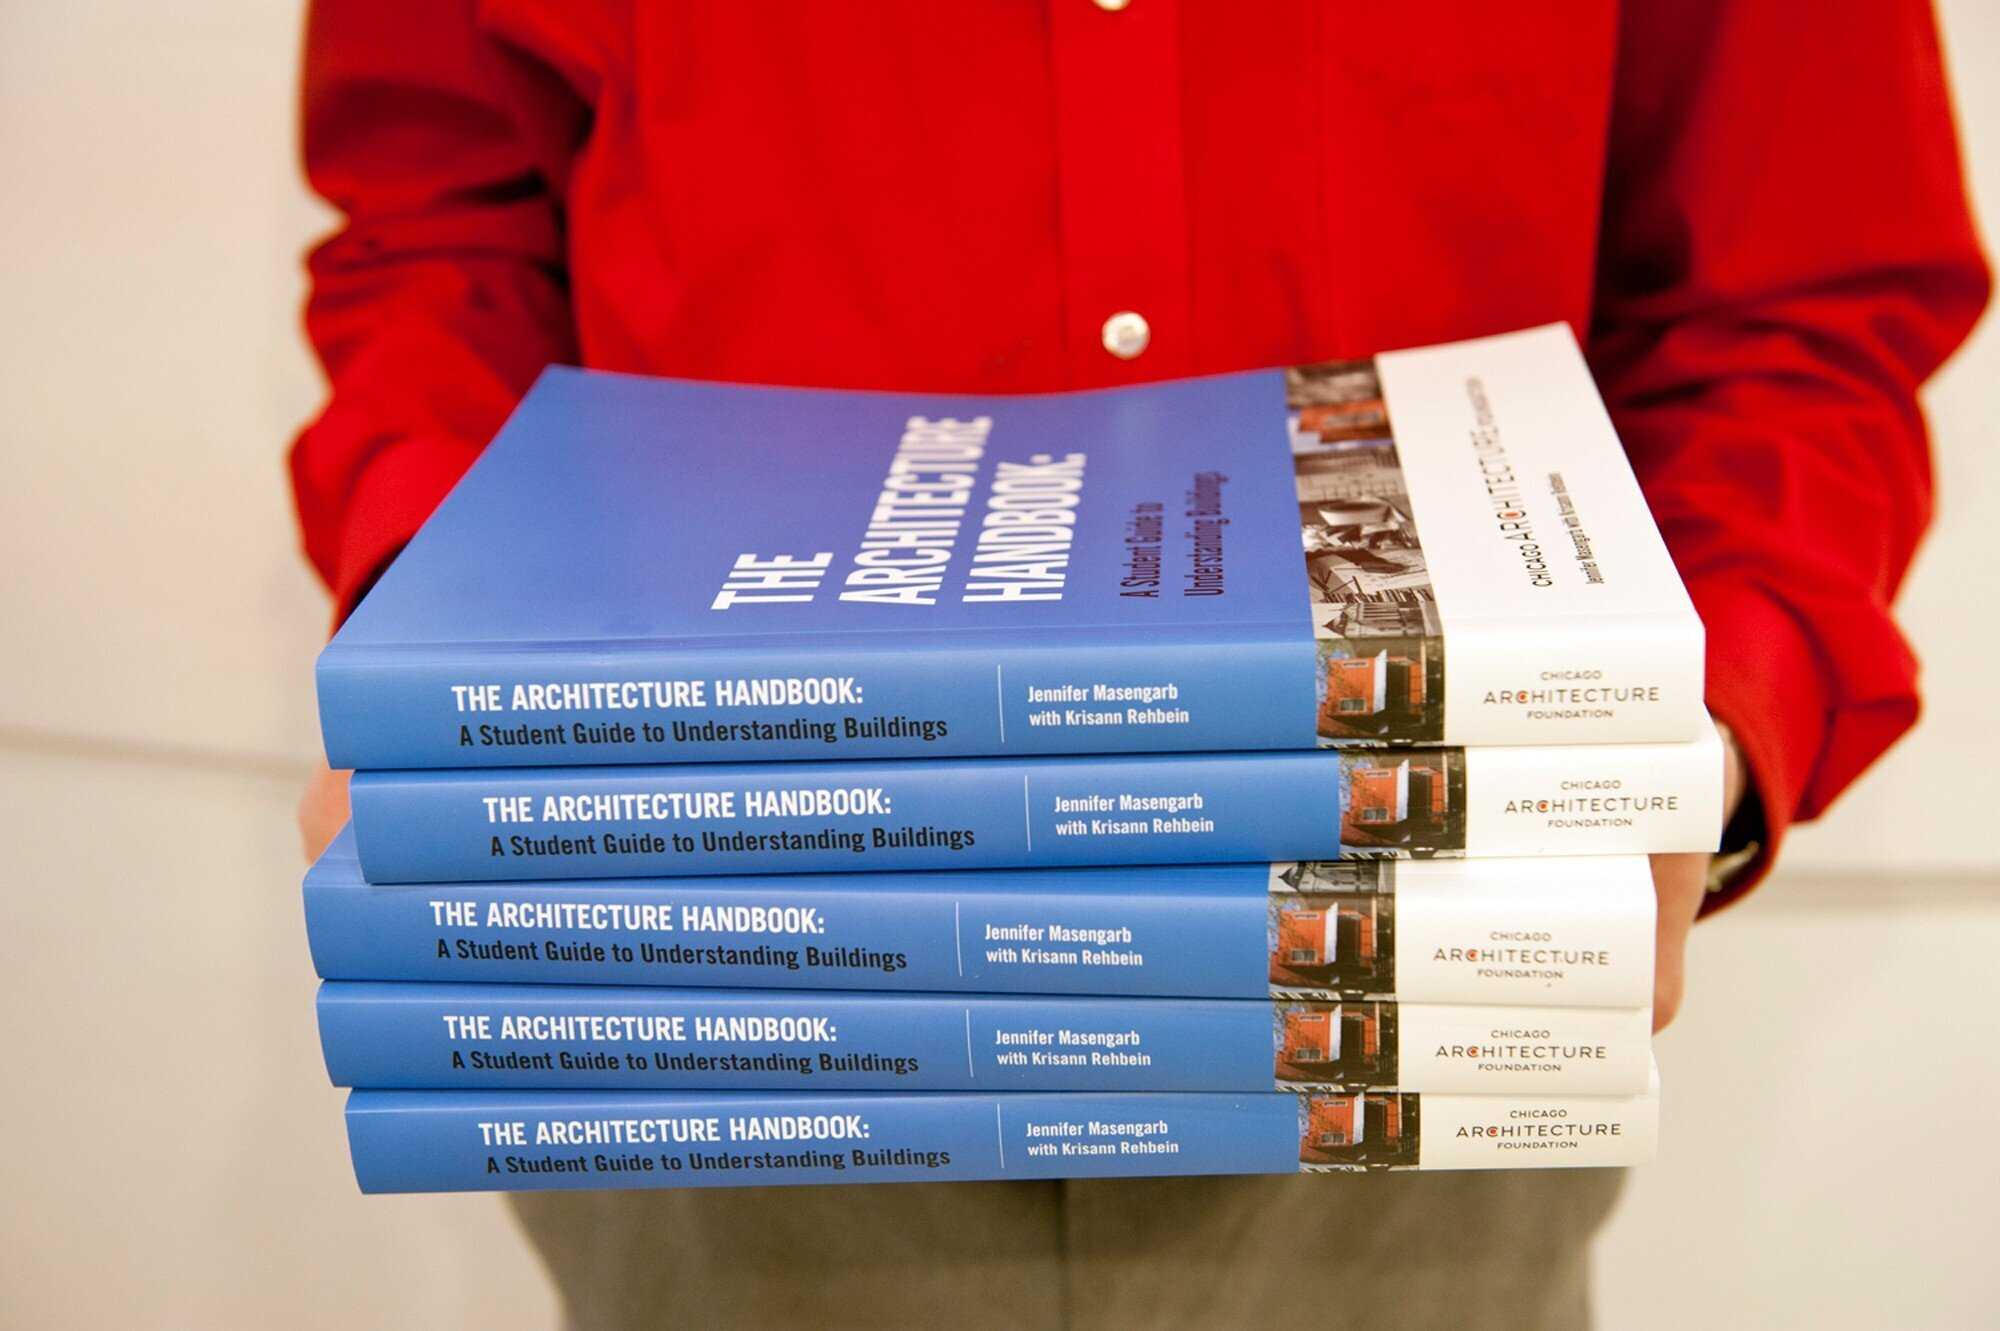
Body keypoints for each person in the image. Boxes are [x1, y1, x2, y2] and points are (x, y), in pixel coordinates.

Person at [289, 4, 1987, 1327]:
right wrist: (444, 643)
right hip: (718, 996)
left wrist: (1689, 745)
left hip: (1424, 1021)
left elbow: (1800, 286)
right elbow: (444, 225)